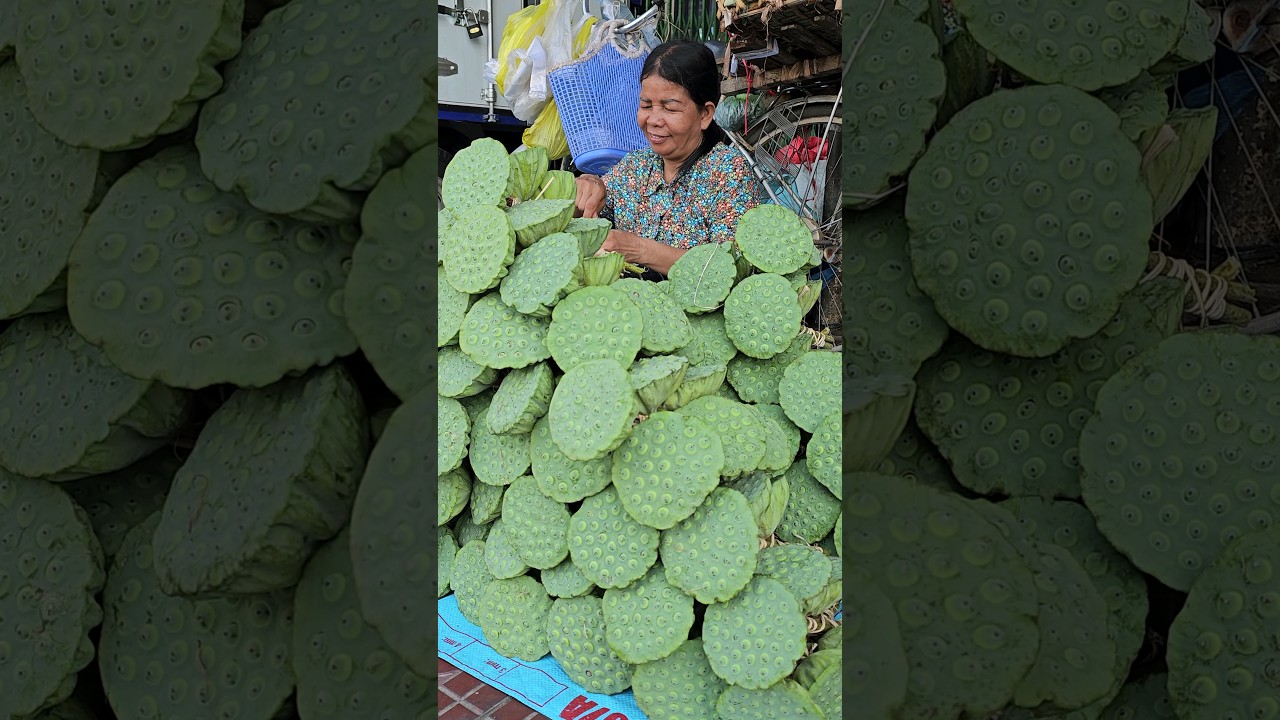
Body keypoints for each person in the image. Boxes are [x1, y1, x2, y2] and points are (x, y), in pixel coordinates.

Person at [573, 39, 766, 277]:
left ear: (705, 114)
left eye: (670, 108)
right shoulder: (635, 166)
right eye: (646, 105)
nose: (653, 119)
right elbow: (589, 213)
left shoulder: (728, 172)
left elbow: (730, 270)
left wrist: (638, 249)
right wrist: (587, 187)